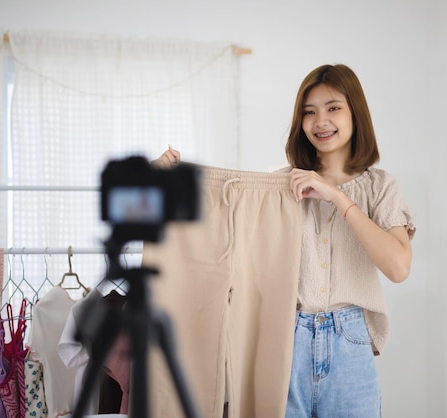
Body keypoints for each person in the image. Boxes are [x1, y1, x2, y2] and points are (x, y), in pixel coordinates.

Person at [153, 63, 415, 417]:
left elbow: (398, 267)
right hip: (284, 339)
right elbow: (217, 216)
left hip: (350, 344)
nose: (320, 121)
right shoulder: (281, 186)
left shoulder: (380, 186)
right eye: (309, 112)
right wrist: (164, 181)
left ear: (356, 112)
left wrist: (336, 196)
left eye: (333, 107)